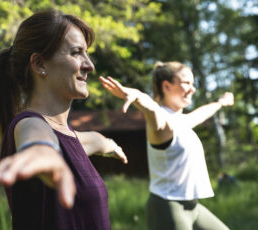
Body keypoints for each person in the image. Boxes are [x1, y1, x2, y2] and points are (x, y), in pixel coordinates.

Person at [0, 8, 127, 230]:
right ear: (39, 64)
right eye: (76, 53)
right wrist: (41, 150)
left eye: (86, 53)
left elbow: (93, 140)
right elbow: (38, 139)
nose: (90, 65)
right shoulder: (30, 124)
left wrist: (111, 145)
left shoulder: (69, 137)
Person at [99, 61, 233, 230]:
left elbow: (201, 113)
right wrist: (138, 96)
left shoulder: (182, 121)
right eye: (186, 83)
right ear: (167, 86)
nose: (193, 89)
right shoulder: (161, 124)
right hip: (168, 207)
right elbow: (152, 110)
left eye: (193, 83)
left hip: (192, 207)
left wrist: (220, 103)